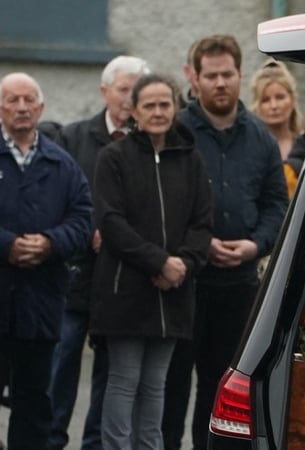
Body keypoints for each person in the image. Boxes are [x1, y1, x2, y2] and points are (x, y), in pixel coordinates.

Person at [169, 34, 289, 450]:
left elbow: (277, 204)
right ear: (195, 78)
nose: (220, 83)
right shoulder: (176, 131)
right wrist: (199, 243)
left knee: (220, 387)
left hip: (239, 286)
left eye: (228, 75)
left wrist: (256, 245)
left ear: (240, 76)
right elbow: (161, 201)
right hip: (185, 282)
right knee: (172, 383)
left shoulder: (259, 137)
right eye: (211, 76)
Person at [91, 73, 213, 449]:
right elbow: (111, 223)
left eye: (165, 104)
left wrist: (183, 265)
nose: (158, 112)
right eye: (150, 105)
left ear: (175, 108)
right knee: (124, 380)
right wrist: (160, 262)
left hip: (174, 293)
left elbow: (202, 222)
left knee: (156, 384)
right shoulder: (113, 158)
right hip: (126, 290)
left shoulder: (190, 159)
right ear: (134, 111)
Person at [47, 54, 150, 450]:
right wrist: (89, 228)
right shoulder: (73, 138)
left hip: (124, 279)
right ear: (104, 91)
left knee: (112, 374)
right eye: (123, 90)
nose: (129, 99)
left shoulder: (149, 145)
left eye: (135, 91)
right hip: (75, 275)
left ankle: (95, 443)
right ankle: (51, 439)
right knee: (62, 359)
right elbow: (60, 199)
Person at [0, 72, 93, 450]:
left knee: (35, 402)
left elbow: (84, 220)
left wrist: (50, 243)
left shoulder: (62, 164)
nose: (21, 107)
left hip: (41, 304)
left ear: (40, 107)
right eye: (12, 100)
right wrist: (7, 245)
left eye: (28, 100)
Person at [249, 60, 303, 194]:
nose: (274, 106)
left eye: (280, 97)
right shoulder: (249, 147)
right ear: (257, 105)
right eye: (266, 100)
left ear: (292, 100)